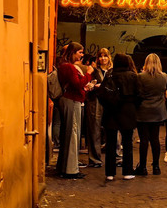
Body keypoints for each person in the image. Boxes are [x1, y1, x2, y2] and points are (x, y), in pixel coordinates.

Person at [55, 42, 93, 179]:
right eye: (80, 52)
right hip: (72, 101)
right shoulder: (69, 67)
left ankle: (64, 166)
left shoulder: (65, 66)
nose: (82, 55)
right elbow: (77, 84)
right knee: (72, 133)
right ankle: (70, 169)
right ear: (73, 52)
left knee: (69, 133)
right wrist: (88, 74)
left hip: (71, 100)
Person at [100, 53, 139, 181]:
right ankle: (127, 171)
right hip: (127, 111)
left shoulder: (109, 74)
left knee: (110, 143)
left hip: (111, 111)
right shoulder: (132, 76)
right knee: (127, 142)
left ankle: (110, 173)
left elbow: (102, 94)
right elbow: (139, 94)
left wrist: (108, 105)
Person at [136, 53, 167, 176]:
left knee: (144, 139)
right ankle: (156, 166)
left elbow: (138, 93)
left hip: (143, 110)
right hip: (158, 110)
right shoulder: (164, 76)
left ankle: (143, 167)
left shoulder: (141, 76)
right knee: (155, 139)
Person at [83, 48, 112, 168]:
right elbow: (87, 84)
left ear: (109, 57)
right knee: (94, 130)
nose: (103, 58)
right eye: (100, 56)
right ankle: (95, 159)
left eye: (105, 56)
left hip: (110, 102)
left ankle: (115, 157)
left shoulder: (113, 71)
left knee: (113, 130)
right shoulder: (94, 71)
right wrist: (92, 85)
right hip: (95, 101)